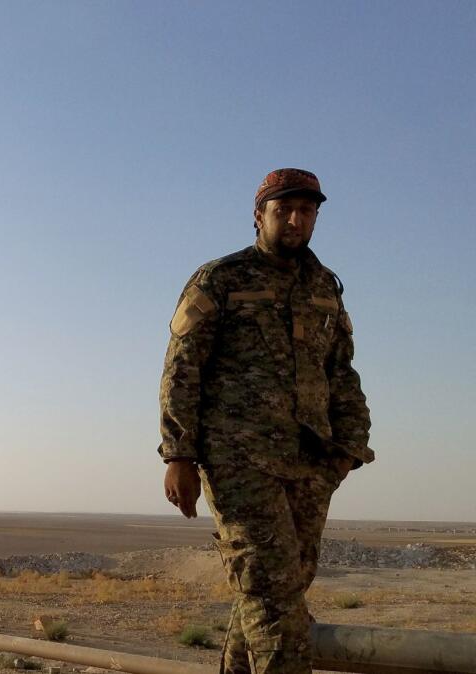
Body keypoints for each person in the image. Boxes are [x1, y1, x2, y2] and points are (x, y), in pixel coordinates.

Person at [158, 168, 374, 674]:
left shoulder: (324, 286)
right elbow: (182, 368)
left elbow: (340, 369)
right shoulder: (221, 278)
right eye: (284, 211)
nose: (296, 220)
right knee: (275, 603)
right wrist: (179, 454)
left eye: (307, 211)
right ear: (259, 216)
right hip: (239, 458)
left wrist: (348, 448)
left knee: (276, 584)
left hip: (310, 461)